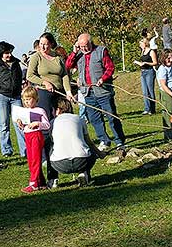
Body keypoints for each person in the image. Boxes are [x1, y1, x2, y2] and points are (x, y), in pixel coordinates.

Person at [65, 33, 126, 157]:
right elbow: (68, 66)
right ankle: (104, 140)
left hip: (103, 91)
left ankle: (120, 141)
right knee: (94, 118)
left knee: (112, 117)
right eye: (81, 46)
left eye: (85, 46)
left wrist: (103, 79)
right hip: (88, 92)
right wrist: (74, 52)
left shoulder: (101, 51)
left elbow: (110, 67)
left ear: (91, 43)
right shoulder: (79, 54)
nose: (84, 48)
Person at [27, 32, 73, 187]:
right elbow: (30, 76)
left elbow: (65, 75)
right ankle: (52, 175)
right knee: (47, 132)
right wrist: (44, 82)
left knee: (68, 128)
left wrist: (68, 92)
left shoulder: (58, 57)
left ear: (52, 44)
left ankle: (78, 168)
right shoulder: (36, 57)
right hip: (44, 94)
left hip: (60, 95)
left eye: (45, 44)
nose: (43, 46)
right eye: (41, 44)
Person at [50, 98, 106, 187]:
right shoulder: (79, 119)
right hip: (82, 161)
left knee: (51, 147)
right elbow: (89, 142)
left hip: (60, 164)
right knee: (87, 146)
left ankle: (53, 180)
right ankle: (84, 173)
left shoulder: (53, 122)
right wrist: (99, 153)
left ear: (58, 110)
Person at [17, 87, 50, 193]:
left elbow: (47, 125)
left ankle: (34, 183)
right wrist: (21, 125)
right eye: (25, 100)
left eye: (29, 99)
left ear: (35, 99)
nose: (27, 102)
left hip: (36, 135)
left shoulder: (40, 111)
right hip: (28, 136)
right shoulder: (25, 111)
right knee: (31, 159)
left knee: (35, 159)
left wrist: (38, 124)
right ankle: (41, 181)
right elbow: (24, 126)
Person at [156, 49, 172, 140]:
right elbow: (163, 84)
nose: (170, 60)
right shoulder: (162, 69)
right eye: (168, 58)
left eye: (171, 57)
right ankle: (168, 136)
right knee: (169, 114)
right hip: (167, 94)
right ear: (163, 58)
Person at [134, 38, 158, 115]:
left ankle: (152, 109)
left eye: (141, 44)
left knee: (150, 91)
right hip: (143, 72)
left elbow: (155, 62)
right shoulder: (142, 51)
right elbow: (142, 61)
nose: (140, 45)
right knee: (145, 92)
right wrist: (138, 63)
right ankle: (146, 109)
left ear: (145, 43)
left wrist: (146, 63)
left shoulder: (151, 51)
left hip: (149, 72)